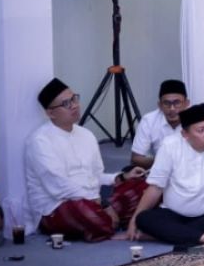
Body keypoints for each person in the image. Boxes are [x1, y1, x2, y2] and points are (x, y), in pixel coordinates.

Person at [24, 78, 148, 241]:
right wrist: (102, 204)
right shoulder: (40, 141)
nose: (74, 105)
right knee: (85, 213)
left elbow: (96, 176)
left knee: (141, 186)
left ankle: (107, 222)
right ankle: (109, 223)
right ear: (50, 113)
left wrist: (121, 177)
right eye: (66, 103)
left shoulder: (86, 135)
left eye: (74, 99)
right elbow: (59, 187)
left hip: (95, 201)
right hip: (57, 207)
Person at [127, 104, 204, 247]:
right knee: (144, 218)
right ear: (185, 134)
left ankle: (167, 235)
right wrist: (134, 219)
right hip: (173, 213)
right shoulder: (169, 145)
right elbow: (155, 188)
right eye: (201, 130)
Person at [129, 79, 190, 170]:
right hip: (160, 169)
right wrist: (164, 161)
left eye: (177, 103)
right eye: (166, 103)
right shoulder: (149, 121)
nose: (172, 108)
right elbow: (135, 158)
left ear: (186, 103)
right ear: (159, 105)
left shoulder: (197, 120)